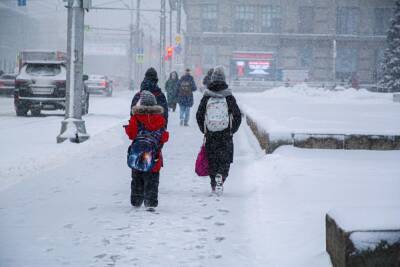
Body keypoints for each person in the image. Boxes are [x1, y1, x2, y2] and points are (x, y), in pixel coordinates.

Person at [196, 67, 242, 194]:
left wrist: (204, 129)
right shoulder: (228, 96)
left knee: (211, 159)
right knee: (225, 158)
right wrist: (232, 130)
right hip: (226, 134)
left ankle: (213, 184)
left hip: (210, 134)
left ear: (212, 79)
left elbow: (199, 115)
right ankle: (221, 176)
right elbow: (237, 115)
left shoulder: (207, 96)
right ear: (224, 79)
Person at [125, 91, 169, 211]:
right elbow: (164, 137)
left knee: (137, 177)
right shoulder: (160, 119)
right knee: (153, 178)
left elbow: (131, 134)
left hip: (138, 155)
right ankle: (150, 202)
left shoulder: (136, 117)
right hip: (153, 156)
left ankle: (136, 200)